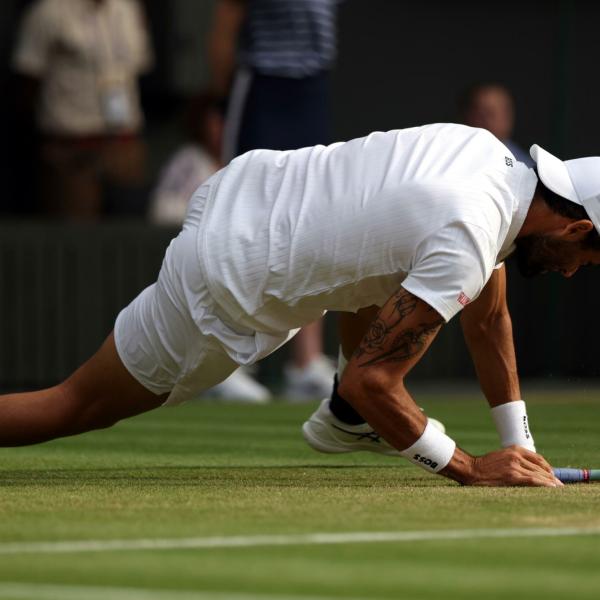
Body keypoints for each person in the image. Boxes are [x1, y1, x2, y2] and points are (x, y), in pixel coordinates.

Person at [3, 123, 600, 487]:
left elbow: (490, 316)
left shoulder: (485, 158)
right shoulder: (469, 236)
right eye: (588, 261)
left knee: (392, 269)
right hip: (223, 288)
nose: (574, 274)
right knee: (74, 405)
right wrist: (471, 467)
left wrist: (519, 445)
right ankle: (351, 410)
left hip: (240, 193)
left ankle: (343, 420)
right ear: (574, 230)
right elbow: (375, 379)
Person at [208, 0, 339, 399]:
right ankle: (222, 361)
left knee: (311, 221)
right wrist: (219, 101)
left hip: (312, 88)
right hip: (262, 87)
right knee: (247, 219)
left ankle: (305, 363)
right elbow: (225, 26)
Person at [149, 93, 271, 403]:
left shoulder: (251, 161)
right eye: (217, 120)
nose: (222, 128)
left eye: (228, 120)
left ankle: (226, 367)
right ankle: (215, 371)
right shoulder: (191, 160)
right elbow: (164, 211)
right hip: (189, 254)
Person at [11, 0, 153, 218]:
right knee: (76, 239)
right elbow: (27, 80)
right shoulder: (48, 12)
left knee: (129, 234)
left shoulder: (128, 9)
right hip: (72, 150)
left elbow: (139, 66)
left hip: (124, 145)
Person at [459, 82, 534, 167]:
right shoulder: (452, 153)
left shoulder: (526, 166)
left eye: (501, 110)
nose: (487, 119)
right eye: (483, 112)